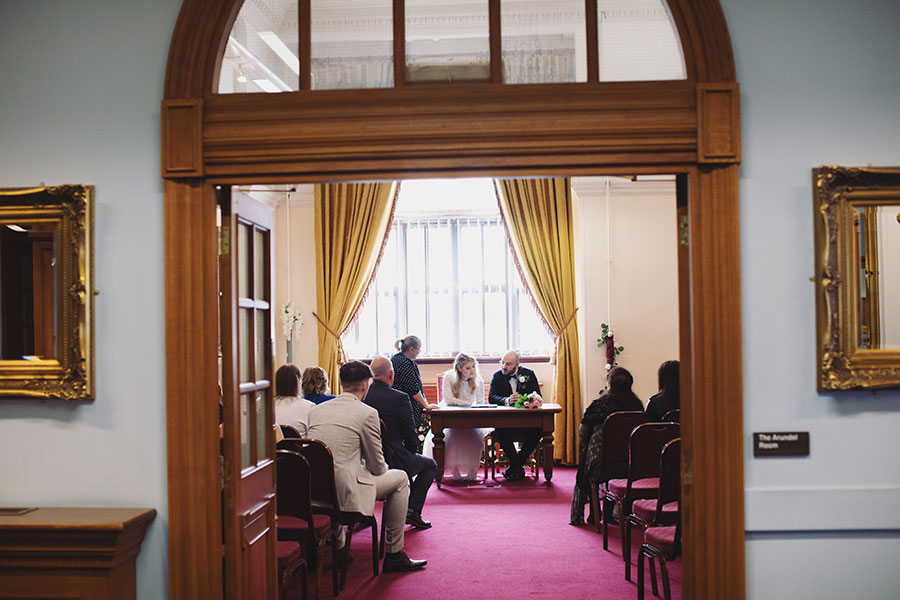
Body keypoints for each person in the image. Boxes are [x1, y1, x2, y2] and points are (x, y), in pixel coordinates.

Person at [306, 360, 427, 573]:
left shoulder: (316, 411)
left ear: (342, 383)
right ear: (365, 385)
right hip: (346, 492)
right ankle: (394, 552)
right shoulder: (367, 413)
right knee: (400, 479)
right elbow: (377, 466)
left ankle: (342, 547)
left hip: (317, 491)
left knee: (335, 473)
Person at [364, 356, 436, 529]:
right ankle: (412, 511)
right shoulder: (400, 398)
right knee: (430, 465)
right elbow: (410, 435)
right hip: (395, 458)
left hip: (365, 461)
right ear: (391, 375)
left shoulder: (363, 397)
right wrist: (411, 452)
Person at [569, 366, 644, 526]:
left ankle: (594, 513)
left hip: (602, 462)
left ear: (609, 384)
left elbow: (583, 435)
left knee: (588, 458)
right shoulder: (637, 406)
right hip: (632, 462)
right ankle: (613, 511)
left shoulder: (598, 405)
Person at [423, 353, 490, 482]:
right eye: (468, 368)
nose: (472, 371)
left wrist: (473, 408)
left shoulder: (478, 379)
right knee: (451, 436)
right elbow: (448, 399)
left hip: (471, 414)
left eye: (474, 367)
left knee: (475, 437)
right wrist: (467, 404)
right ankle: (454, 471)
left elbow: (480, 401)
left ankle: (472, 472)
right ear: (459, 368)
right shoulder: (449, 377)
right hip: (451, 412)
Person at [487, 350, 542, 482]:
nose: (504, 366)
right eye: (502, 362)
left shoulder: (528, 374)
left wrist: (526, 399)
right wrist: (507, 400)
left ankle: (515, 467)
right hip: (505, 421)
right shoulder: (497, 376)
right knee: (501, 432)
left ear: (517, 365)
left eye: (508, 364)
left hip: (527, 421)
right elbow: (491, 397)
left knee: (538, 431)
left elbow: (538, 396)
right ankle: (517, 467)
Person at [390, 335, 435, 424]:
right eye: (418, 349)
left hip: (396, 405)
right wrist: (426, 405)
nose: (419, 352)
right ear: (411, 349)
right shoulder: (405, 363)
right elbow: (413, 389)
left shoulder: (396, 358)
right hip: (406, 407)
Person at [274, 364, 315, 437]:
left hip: (272, 448)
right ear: (298, 382)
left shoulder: (266, 406)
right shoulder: (309, 407)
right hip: (298, 447)